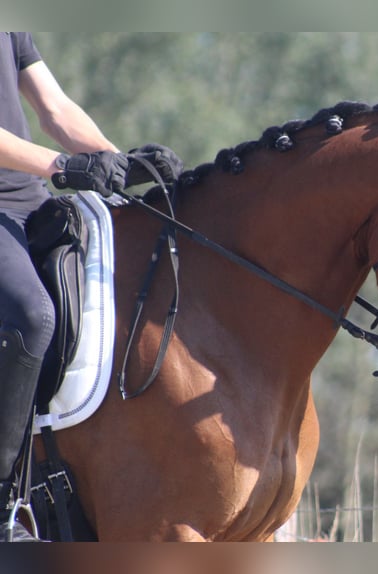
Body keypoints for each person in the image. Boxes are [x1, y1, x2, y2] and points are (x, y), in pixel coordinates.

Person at [0, 32, 182, 541]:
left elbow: (54, 108)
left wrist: (115, 161)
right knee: (32, 315)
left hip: (29, 201)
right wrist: (62, 165)